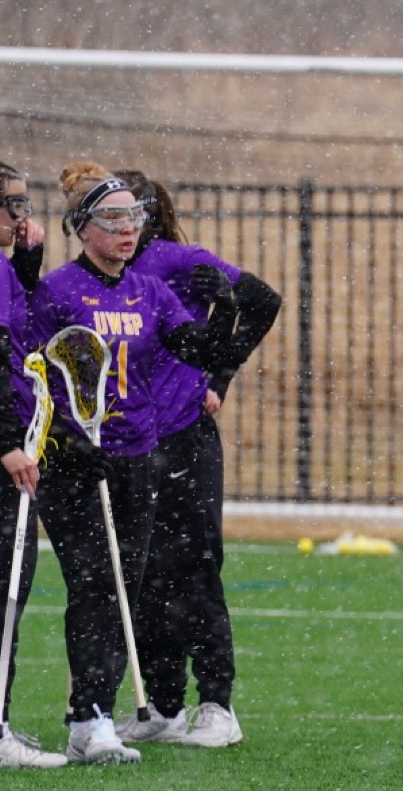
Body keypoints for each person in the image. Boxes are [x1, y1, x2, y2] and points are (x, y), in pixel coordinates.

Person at [29, 164, 234, 764]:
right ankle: (88, 719)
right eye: (112, 218)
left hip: (138, 456)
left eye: (134, 217)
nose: (127, 229)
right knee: (93, 583)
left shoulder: (150, 291)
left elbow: (193, 350)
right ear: (82, 228)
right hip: (76, 462)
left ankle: (96, 713)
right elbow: (35, 374)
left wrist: (222, 319)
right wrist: (66, 435)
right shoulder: (59, 292)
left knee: (125, 587)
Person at [117, 169, 281, 749]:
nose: (118, 224)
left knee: (193, 569)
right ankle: (162, 706)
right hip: (131, 442)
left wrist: (221, 375)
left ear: (146, 214)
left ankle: (218, 706)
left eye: (126, 211)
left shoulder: (175, 260)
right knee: (141, 576)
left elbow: (261, 300)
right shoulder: (101, 279)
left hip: (185, 437)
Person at [0, 157, 62, 769]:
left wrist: (26, 265)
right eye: (12, 204)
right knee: (4, 589)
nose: (24, 215)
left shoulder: (1, 267)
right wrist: (6, 443)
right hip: (1, 454)